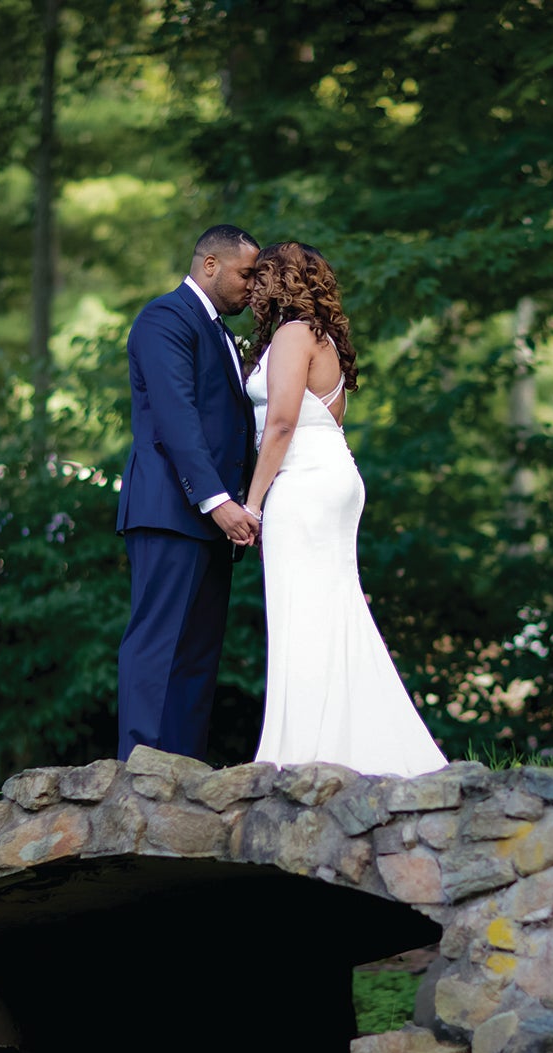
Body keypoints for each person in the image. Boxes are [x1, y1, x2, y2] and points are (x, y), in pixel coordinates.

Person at [240, 242, 447, 778]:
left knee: (303, 612)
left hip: (303, 482)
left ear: (280, 280)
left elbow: (282, 423)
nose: (252, 288)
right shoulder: (320, 336)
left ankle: (305, 753)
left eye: (260, 277)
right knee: (333, 609)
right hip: (332, 475)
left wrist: (253, 503)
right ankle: (349, 745)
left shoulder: (291, 334)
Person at [115, 225, 261, 762]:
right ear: (210, 266)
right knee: (157, 647)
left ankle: (181, 775)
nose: (253, 286)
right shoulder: (165, 318)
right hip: (171, 509)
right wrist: (218, 500)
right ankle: (139, 775)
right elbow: (176, 418)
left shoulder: (217, 328)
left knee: (198, 656)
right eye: (246, 274)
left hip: (210, 518)